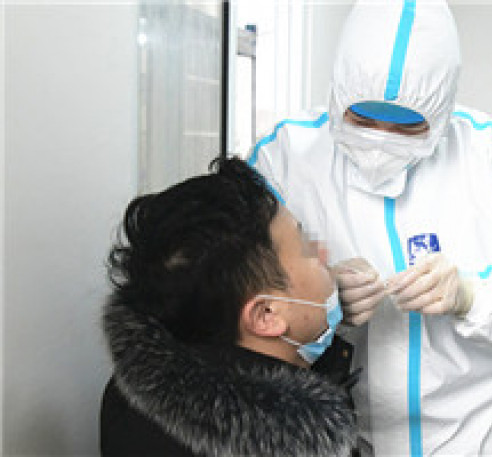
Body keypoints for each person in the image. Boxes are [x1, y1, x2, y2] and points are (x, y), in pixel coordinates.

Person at [248, 0, 492, 455]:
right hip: (333, 439)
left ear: (441, 113)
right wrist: (324, 303)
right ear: (337, 94)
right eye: (361, 120)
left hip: (478, 442)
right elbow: (242, 306)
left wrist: (472, 295)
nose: (379, 140)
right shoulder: (284, 158)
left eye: (406, 127)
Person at [100, 157, 358, 456]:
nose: (323, 253)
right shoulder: (296, 446)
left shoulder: (131, 400)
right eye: (306, 249)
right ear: (266, 315)